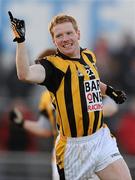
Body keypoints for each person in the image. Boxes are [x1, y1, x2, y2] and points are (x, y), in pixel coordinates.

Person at [8, 11, 131, 180]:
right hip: (74, 149)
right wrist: (20, 41)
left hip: (101, 138)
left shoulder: (88, 55)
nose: (65, 38)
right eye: (59, 35)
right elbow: (25, 74)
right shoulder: (53, 66)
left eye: (69, 33)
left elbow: (91, 80)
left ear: (78, 34)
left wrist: (109, 91)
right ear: (54, 41)